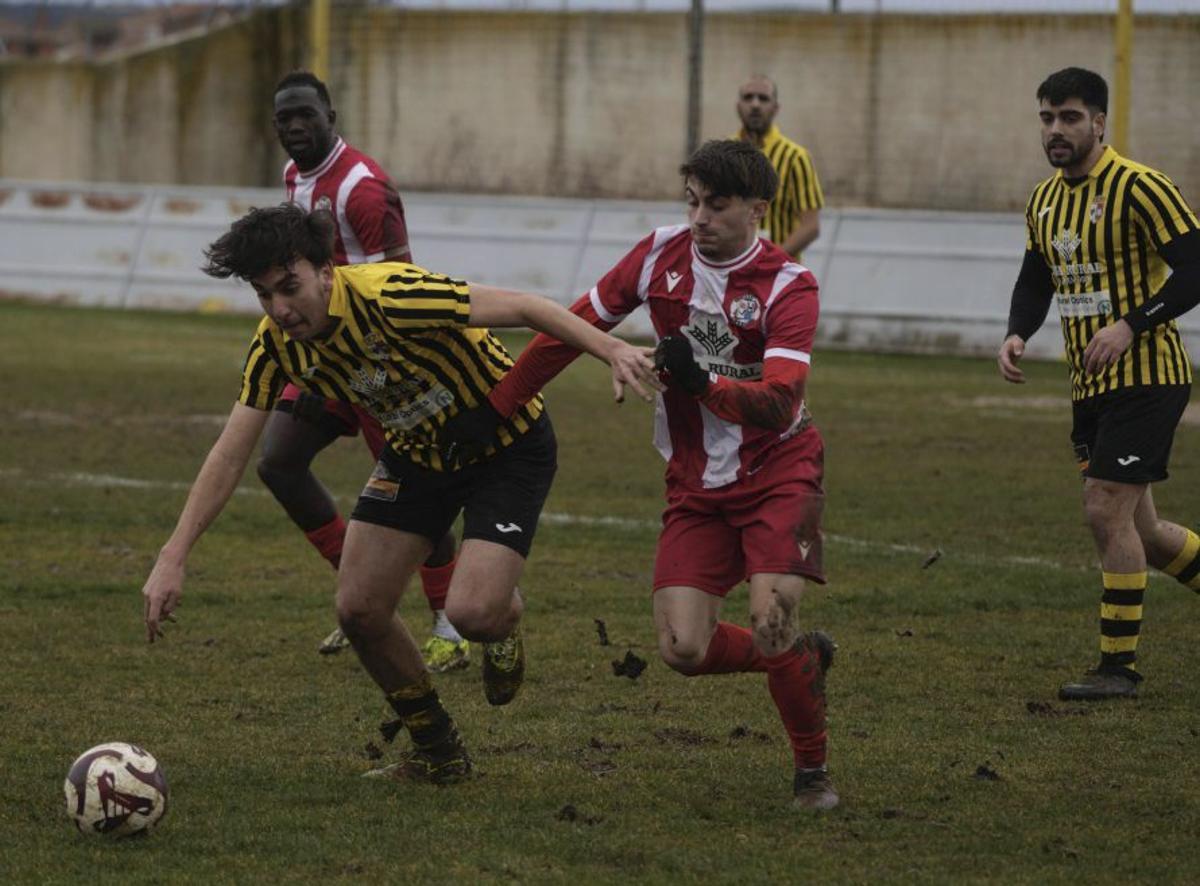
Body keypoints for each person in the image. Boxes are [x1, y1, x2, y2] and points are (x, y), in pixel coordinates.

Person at [141, 203, 659, 783]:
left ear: (326, 271)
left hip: (505, 446)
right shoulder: (276, 347)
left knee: (472, 614)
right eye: (264, 296)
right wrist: (173, 554)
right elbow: (230, 451)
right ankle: (439, 752)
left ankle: (504, 623)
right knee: (358, 609)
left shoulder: (392, 294)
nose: (281, 310)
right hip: (417, 455)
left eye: (290, 287)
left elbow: (524, 306)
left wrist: (611, 349)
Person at [443, 140, 839, 810]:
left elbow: (778, 405)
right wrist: (499, 407)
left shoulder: (788, 285)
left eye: (717, 205)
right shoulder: (659, 253)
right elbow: (572, 326)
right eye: (692, 202)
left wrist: (700, 382)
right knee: (683, 648)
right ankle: (800, 660)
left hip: (781, 470)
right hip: (694, 481)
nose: (700, 218)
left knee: (771, 617)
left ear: (758, 210)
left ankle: (811, 770)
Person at [998, 67, 1200, 701]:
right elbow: (1037, 278)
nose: (1056, 131)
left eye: (1070, 118)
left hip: (1150, 378)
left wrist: (1131, 326)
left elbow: (1196, 268)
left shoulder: (1141, 187)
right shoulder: (1044, 200)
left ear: (1100, 122)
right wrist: (1016, 332)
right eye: (1047, 118)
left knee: (1101, 508)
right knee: (1142, 532)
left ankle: (1119, 670)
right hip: (1089, 389)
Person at [268, 70, 466, 670]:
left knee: (417, 493)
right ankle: (367, 600)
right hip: (329, 354)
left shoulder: (363, 189)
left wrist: (382, 368)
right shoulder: (293, 178)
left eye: (307, 114)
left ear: (332, 114)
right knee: (279, 462)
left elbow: (402, 285)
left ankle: (449, 627)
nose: (296, 126)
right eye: (285, 119)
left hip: (382, 361)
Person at [734, 74, 823, 259]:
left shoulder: (795, 157)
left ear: (775, 108)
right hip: (731, 271)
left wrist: (770, 262)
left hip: (779, 275)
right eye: (748, 97)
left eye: (763, 98)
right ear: (738, 106)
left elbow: (811, 226)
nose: (755, 104)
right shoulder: (724, 154)